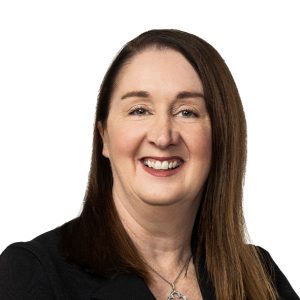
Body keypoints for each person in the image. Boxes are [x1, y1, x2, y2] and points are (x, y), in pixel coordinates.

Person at [0, 29, 298, 300]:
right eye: (139, 110)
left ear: (222, 136)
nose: (162, 136)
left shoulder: (259, 276)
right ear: (104, 136)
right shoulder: (33, 273)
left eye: (187, 112)